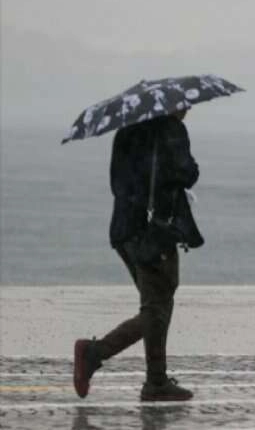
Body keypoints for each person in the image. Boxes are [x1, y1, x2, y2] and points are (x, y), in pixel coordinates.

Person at [73, 110, 203, 401]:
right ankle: (93, 352)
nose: (188, 109)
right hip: (154, 232)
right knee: (157, 308)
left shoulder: (127, 131)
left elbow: (116, 182)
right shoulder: (171, 130)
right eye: (184, 104)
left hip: (123, 228)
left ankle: (156, 382)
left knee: (156, 303)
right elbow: (187, 173)